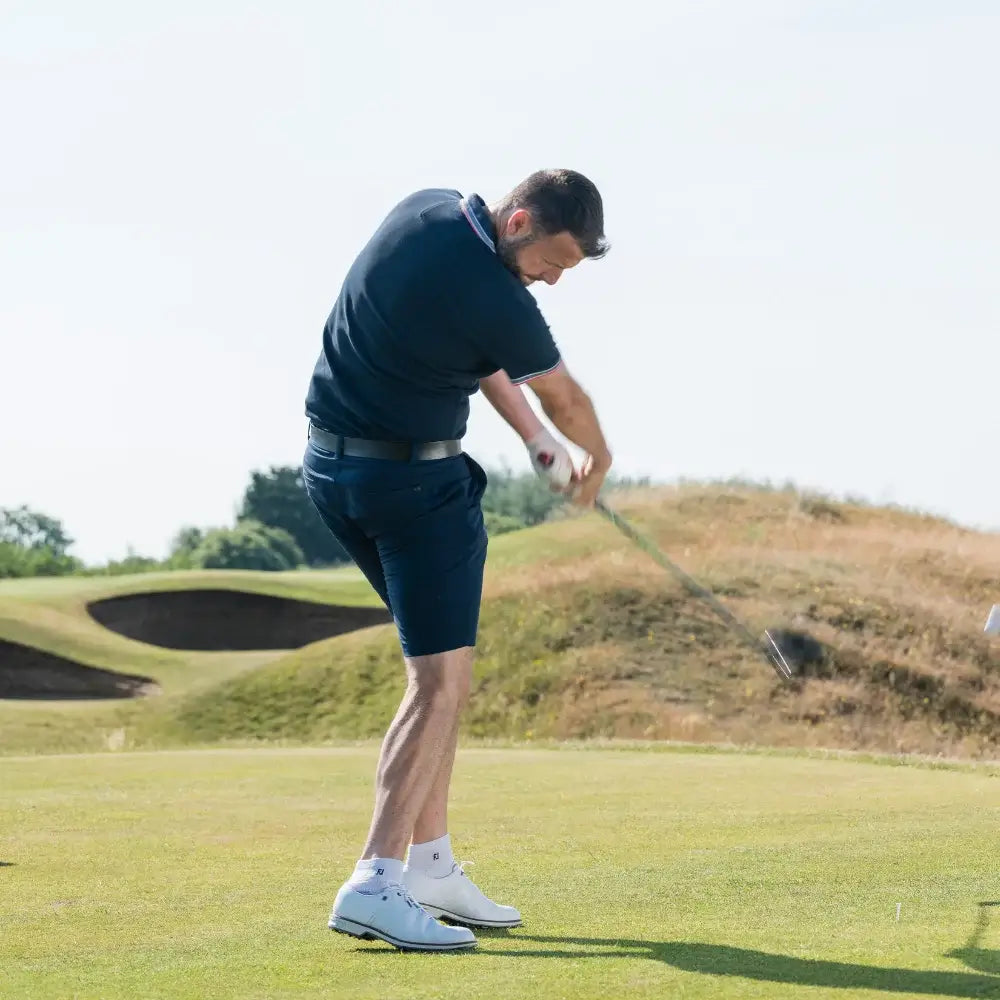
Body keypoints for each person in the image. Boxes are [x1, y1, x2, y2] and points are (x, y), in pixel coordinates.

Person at [301, 169, 614, 952]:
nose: (553, 280)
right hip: (413, 489)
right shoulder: (498, 295)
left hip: (335, 472)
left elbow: (472, 349)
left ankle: (430, 865)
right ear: (519, 222)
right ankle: (375, 881)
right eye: (554, 262)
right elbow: (565, 397)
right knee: (439, 685)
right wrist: (596, 458)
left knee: (439, 674)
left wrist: (533, 439)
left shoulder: (427, 211)